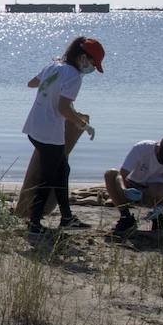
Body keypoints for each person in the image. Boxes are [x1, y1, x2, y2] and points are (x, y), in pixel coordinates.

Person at [21, 36, 105, 236]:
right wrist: (83, 124)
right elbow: (64, 108)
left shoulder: (54, 66)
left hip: (34, 127)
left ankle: (66, 217)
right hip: (50, 133)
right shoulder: (74, 76)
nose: (93, 68)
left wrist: (51, 87)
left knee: (62, 170)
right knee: (48, 178)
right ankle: (34, 223)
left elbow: (32, 83)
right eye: (93, 63)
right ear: (83, 58)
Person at [104, 134, 163, 236]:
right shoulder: (142, 148)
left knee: (160, 189)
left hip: (156, 195)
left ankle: (158, 218)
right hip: (132, 187)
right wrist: (124, 189)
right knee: (111, 174)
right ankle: (126, 217)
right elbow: (122, 174)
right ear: (158, 146)